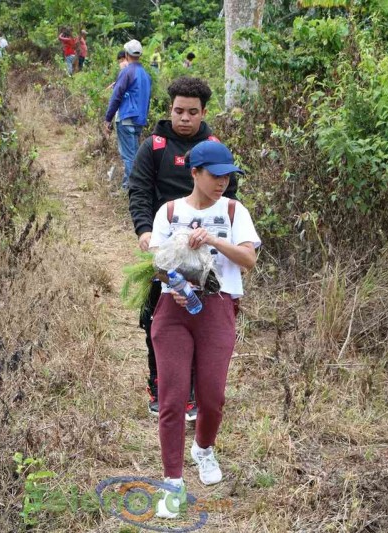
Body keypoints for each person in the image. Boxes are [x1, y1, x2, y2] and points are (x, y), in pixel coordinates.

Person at [148, 140, 260, 519]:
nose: (222, 182)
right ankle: (173, 484)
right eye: (215, 176)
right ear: (194, 173)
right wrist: (178, 286)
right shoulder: (169, 212)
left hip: (218, 307)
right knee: (172, 398)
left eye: (228, 176)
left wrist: (213, 239)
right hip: (174, 310)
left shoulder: (233, 211)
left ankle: (204, 448)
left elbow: (249, 259)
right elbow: (157, 264)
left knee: (212, 397)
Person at [128, 77, 240, 420]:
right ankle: (159, 384)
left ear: (203, 112)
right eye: (179, 111)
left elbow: (230, 197)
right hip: (163, 244)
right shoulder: (155, 147)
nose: (185, 118)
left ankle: (192, 390)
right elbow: (139, 190)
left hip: (205, 248)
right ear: (170, 109)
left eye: (192, 112)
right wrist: (145, 231)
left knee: (200, 315)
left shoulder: (214, 148)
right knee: (158, 317)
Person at [104, 39, 152, 191]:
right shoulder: (146, 75)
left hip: (126, 118)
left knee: (129, 157)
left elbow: (116, 96)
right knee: (135, 155)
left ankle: (131, 189)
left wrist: (108, 119)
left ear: (126, 54)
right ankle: (131, 186)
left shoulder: (127, 72)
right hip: (139, 120)